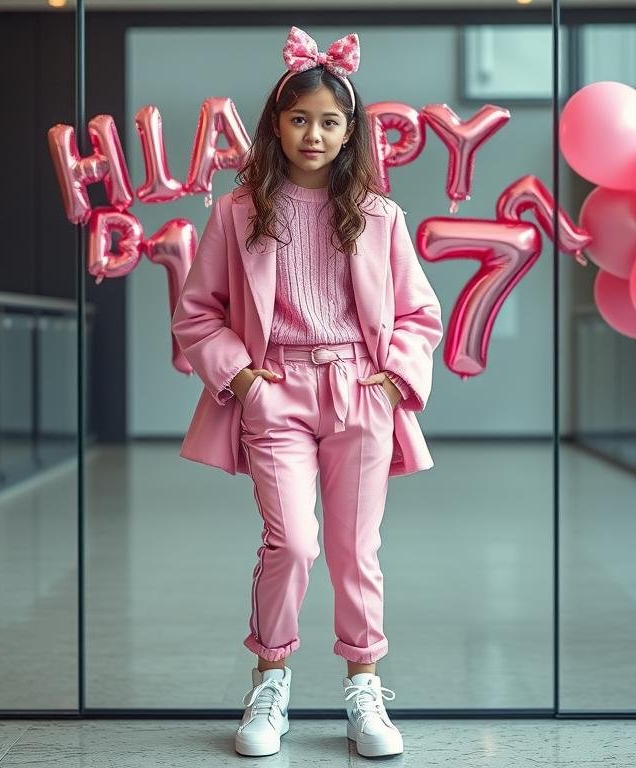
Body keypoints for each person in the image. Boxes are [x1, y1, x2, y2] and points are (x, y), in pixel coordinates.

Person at [170, 26, 442, 758]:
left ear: (350, 132)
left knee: (356, 550)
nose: (313, 135)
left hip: (359, 390)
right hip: (275, 389)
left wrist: (392, 381)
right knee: (291, 541)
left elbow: (419, 313)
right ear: (276, 125)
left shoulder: (380, 217)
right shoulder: (237, 212)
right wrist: (242, 378)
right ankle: (269, 682)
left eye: (328, 122)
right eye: (299, 119)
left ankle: (365, 688)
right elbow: (196, 312)